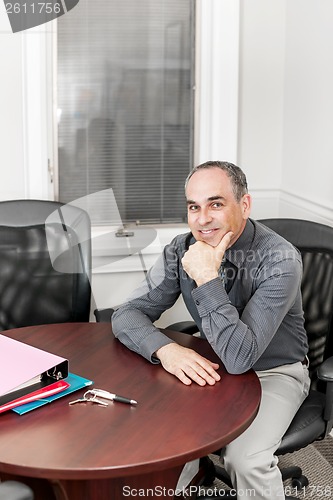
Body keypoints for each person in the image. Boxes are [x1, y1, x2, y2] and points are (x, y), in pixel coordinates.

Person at [112, 160, 310, 499]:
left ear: (243, 205)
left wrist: (206, 277)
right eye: (193, 207)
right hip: (211, 366)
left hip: (274, 372)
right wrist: (167, 350)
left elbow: (239, 358)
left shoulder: (280, 260)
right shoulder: (179, 249)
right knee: (153, 433)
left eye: (215, 204)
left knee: (246, 460)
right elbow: (126, 314)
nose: (202, 219)